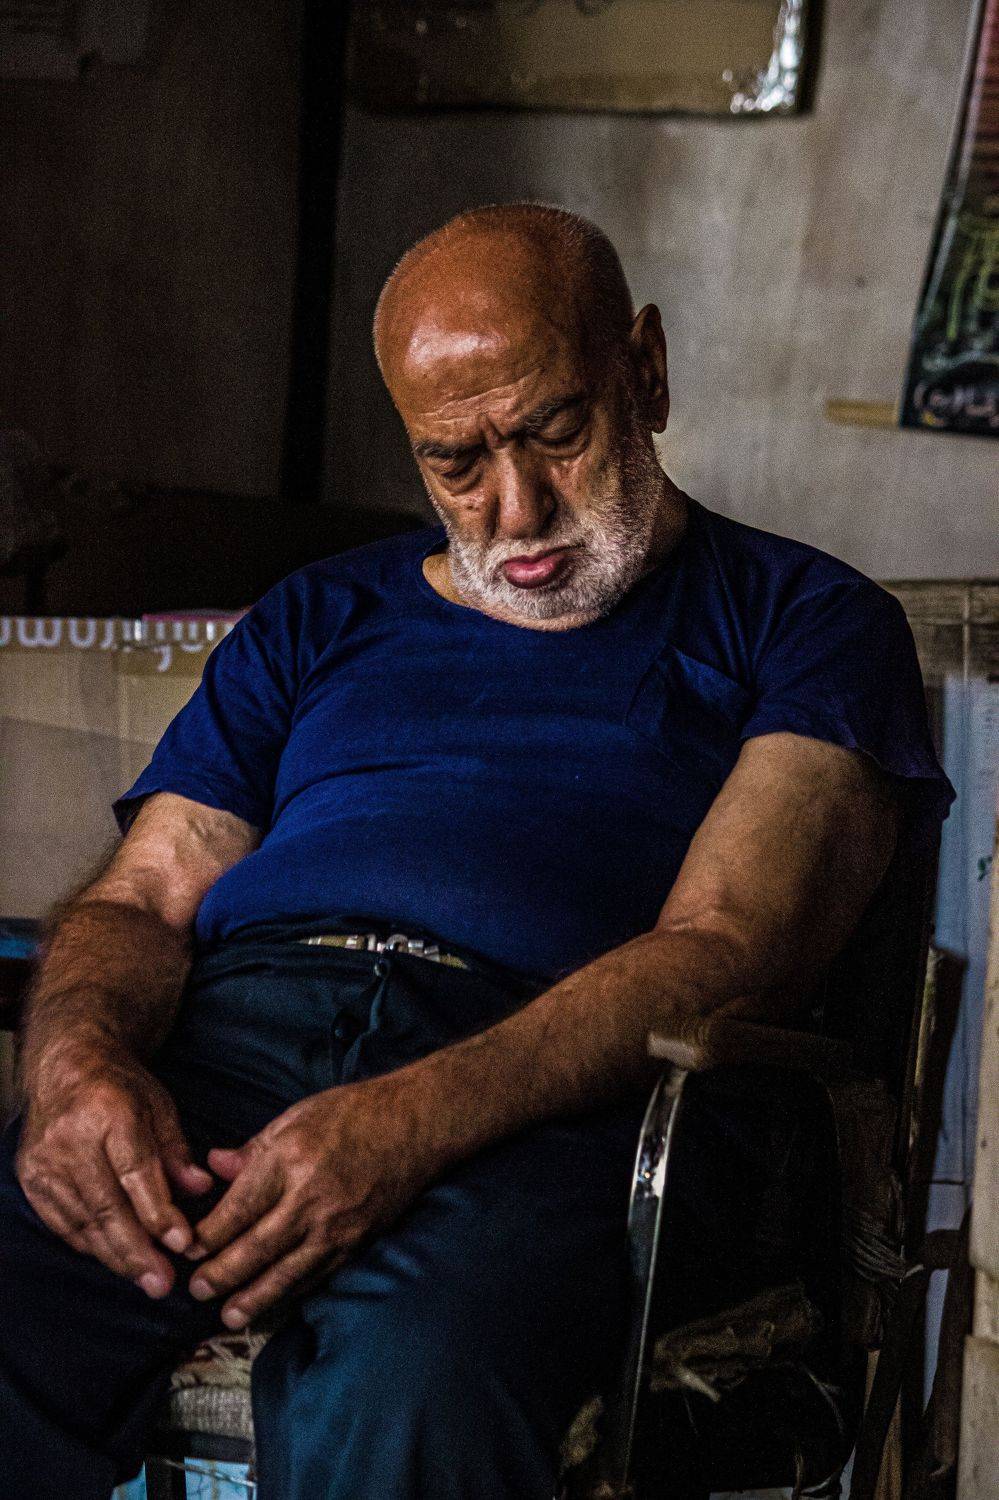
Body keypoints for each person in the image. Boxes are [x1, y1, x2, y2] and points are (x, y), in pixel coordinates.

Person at [0, 204, 953, 1499]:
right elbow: (145, 900)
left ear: (645, 372)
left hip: (547, 1088)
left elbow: (731, 947)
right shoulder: (319, 615)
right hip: (235, 1047)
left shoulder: (808, 619)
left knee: (417, 1373)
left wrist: (409, 1120)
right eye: (456, 462)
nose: (517, 506)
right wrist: (76, 1065)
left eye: (556, 429)